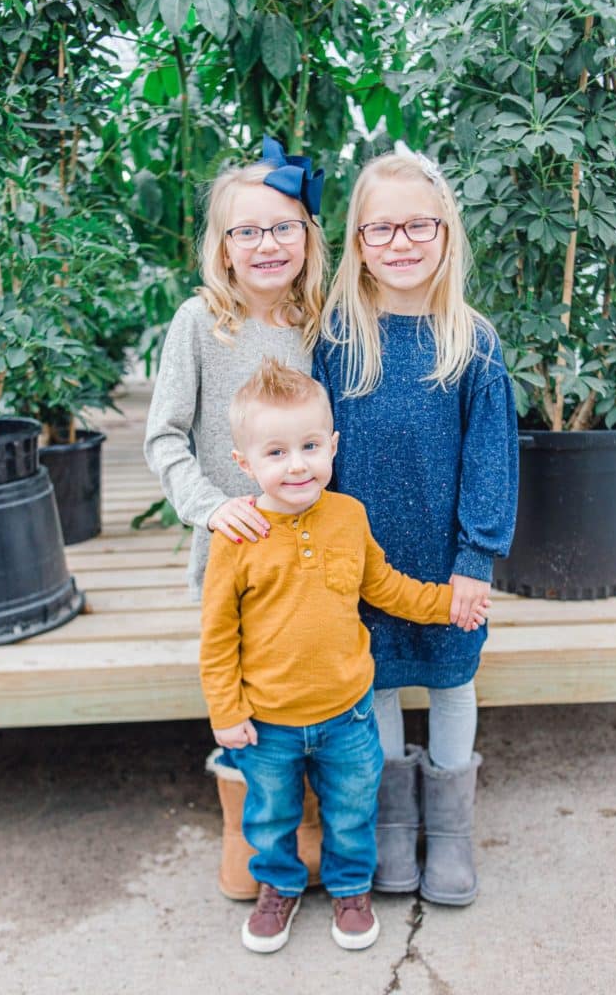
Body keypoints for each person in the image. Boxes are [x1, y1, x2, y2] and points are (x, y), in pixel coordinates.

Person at [200, 358, 491, 954]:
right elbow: (217, 634)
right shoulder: (237, 537)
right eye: (275, 452)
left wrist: (446, 605)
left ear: (333, 445)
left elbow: (384, 587)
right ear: (244, 464)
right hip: (270, 722)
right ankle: (278, 887)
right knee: (271, 816)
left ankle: (351, 888)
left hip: (348, 714)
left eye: (310, 445)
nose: (297, 464)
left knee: (354, 809)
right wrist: (225, 711)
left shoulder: (349, 517)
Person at [313, 144, 518, 907]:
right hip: (363, 562)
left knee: (452, 681)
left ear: (445, 233)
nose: (399, 244)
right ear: (359, 246)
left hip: (444, 560)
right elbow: (318, 459)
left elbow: (490, 460)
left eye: (416, 227)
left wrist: (475, 557)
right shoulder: (338, 339)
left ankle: (452, 836)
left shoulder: (473, 342)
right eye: (380, 230)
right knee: (378, 686)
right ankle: (391, 826)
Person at [144, 136, 327, 900]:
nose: (265, 244)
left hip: (313, 550)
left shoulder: (321, 320)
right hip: (234, 550)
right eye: (245, 231)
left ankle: (310, 822)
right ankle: (245, 829)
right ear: (220, 248)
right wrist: (212, 508)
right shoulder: (198, 322)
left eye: (282, 227)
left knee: (310, 680)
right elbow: (163, 436)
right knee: (240, 693)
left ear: (308, 238)